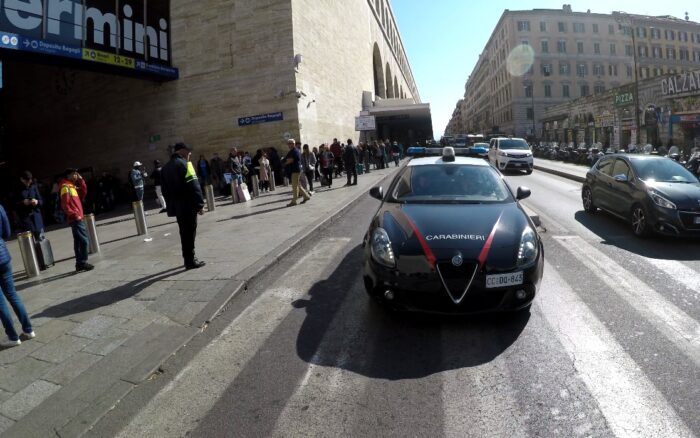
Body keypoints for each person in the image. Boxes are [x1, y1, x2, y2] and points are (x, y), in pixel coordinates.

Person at [161, 143, 206, 270]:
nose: (190, 153)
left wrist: (172, 204)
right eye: (188, 151)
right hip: (189, 205)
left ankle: (187, 259)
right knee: (190, 232)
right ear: (181, 151)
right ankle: (190, 260)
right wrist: (200, 205)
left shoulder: (165, 168)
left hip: (177, 206)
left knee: (183, 232)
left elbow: (165, 191)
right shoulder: (186, 164)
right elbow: (194, 186)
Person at [0, 204, 35, 348]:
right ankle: (28, 330)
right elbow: (7, 232)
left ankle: (13, 337)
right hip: (3, 256)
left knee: (0, 302)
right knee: (12, 294)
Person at [60, 168, 94, 272]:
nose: (76, 175)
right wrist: (74, 214)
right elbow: (65, 205)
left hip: (77, 217)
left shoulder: (71, 186)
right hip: (76, 218)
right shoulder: (65, 187)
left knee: (79, 242)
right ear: (69, 175)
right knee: (83, 241)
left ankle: (79, 264)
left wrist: (81, 180)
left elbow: (83, 193)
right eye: (74, 174)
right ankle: (82, 262)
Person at [15, 170, 45, 241]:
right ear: (22, 179)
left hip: (37, 218)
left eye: (30, 180)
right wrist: (23, 202)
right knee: (30, 243)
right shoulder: (17, 189)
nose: (29, 182)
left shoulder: (34, 187)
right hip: (26, 219)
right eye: (27, 180)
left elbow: (41, 201)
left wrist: (37, 202)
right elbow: (14, 205)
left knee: (41, 240)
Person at [284, 139, 311, 207]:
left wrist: (285, 163)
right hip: (294, 170)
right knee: (298, 185)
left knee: (294, 186)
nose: (288, 145)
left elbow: (291, 160)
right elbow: (287, 158)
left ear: (293, 144)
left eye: (290, 143)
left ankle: (294, 201)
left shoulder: (295, 151)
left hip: (295, 170)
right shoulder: (292, 151)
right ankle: (306, 196)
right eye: (288, 144)